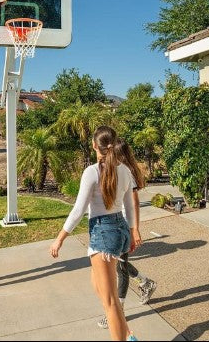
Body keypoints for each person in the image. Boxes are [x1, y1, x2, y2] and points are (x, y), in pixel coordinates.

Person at [49, 125, 139, 341]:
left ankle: (126, 337)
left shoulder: (92, 172)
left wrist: (59, 239)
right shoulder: (124, 170)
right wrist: (132, 231)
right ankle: (127, 334)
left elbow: (79, 210)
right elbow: (129, 206)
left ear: (94, 145)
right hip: (118, 231)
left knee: (111, 302)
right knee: (97, 285)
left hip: (103, 233)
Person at [97, 138, 157, 329]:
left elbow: (134, 203)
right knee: (120, 265)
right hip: (114, 225)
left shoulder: (126, 171)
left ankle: (118, 312)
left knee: (120, 269)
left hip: (122, 227)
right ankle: (146, 282)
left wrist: (135, 230)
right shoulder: (117, 169)